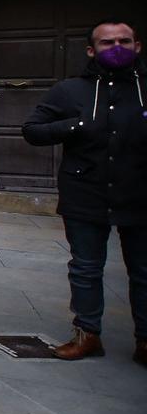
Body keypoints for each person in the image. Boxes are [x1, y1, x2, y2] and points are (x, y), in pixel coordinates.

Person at [22, 20, 147, 367]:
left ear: (137, 46)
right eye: (108, 43)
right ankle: (87, 333)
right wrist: (76, 126)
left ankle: (145, 339)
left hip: (139, 193)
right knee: (86, 267)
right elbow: (33, 130)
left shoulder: (142, 89)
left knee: (143, 270)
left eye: (124, 41)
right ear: (92, 50)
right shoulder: (71, 90)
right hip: (85, 191)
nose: (117, 47)